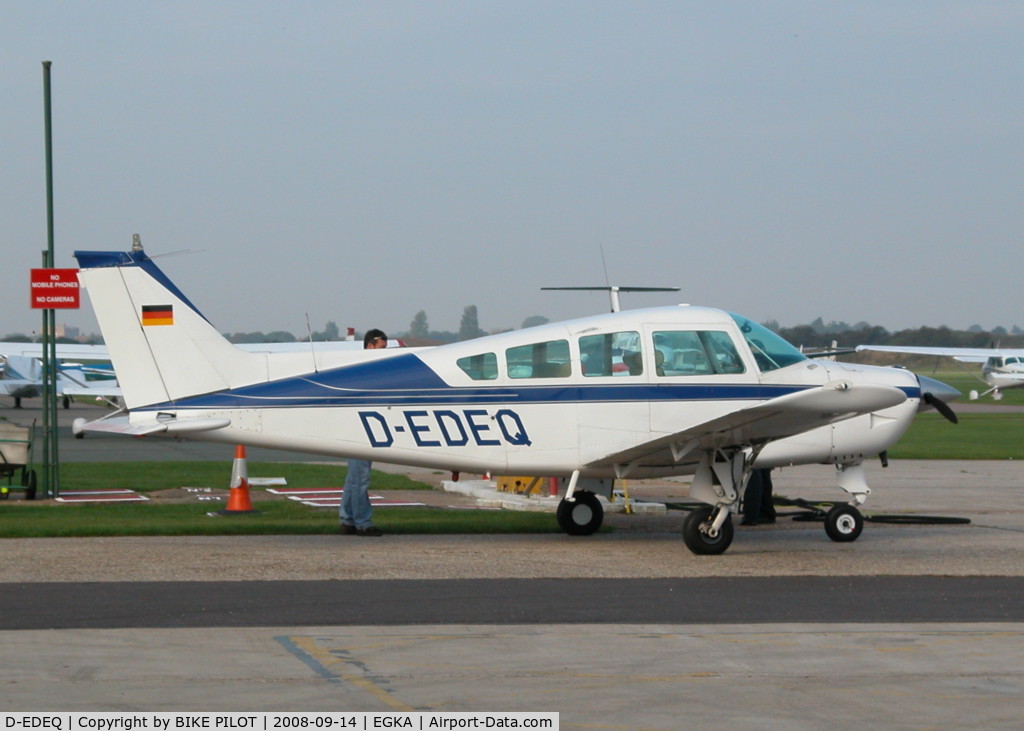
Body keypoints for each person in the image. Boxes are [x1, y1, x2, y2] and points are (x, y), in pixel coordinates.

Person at [339, 328, 389, 537]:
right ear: (370, 346)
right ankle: (363, 522)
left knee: (354, 478)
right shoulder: (366, 371)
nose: (384, 352)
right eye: (382, 348)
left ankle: (347, 519)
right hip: (359, 430)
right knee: (360, 478)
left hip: (357, 429)